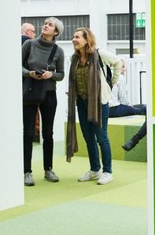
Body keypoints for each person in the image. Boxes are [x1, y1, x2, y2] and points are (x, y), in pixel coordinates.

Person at [66, 27, 122, 186]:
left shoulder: (99, 54)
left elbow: (118, 62)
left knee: (101, 137)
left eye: (77, 37)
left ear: (86, 40)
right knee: (88, 137)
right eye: (73, 37)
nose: (74, 39)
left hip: (98, 102)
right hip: (81, 102)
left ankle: (107, 171)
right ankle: (95, 169)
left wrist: (112, 83)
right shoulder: (74, 59)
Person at [21, 17, 65, 187]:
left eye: (50, 25)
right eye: (45, 23)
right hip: (30, 92)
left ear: (56, 32)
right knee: (28, 133)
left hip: (49, 94)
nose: (45, 26)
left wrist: (51, 75)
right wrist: (29, 73)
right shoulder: (29, 44)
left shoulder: (58, 51)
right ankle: (27, 171)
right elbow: (17, 65)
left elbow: (61, 74)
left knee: (48, 133)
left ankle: (48, 169)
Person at [111, 59, 147, 151]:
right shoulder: (120, 77)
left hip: (104, 110)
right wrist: (129, 108)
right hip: (115, 109)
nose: (124, 69)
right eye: (123, 67)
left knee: (137, 107)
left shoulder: (106, 75)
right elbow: (123, 99)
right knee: (143, 108)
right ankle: (134, 140)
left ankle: (134, 140)